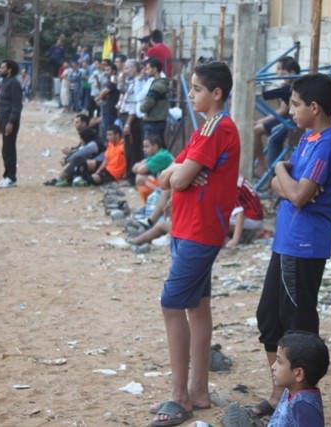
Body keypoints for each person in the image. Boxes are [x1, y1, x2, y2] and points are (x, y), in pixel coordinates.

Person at [147, 62, 240, 427]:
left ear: (216, 93)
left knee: (172, 304)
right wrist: (176, 174)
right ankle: (198, 389)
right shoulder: (206, 129)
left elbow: (180, 178)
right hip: (190, 227)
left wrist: (177, 175)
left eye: (198, 88)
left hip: (201, 230)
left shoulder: (217, 128)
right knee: (198, 307)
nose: (191, 94)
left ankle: (180, 396)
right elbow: (171, 175)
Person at [253, 73, 331, 416]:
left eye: (295, 104)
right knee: (268, 318)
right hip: (286, 241)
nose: (290, 110)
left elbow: (295, 193)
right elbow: (286, 191)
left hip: (304, 246)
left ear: (314, 107)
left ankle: (299, 403)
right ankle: (280, 397)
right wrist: (288, 182)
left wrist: (281, 169)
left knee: (298, 328)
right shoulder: (309, 137)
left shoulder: (327, 145)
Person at [268, 331, 329, 427]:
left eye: (279, 361)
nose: (273, 366)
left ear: (298, 374)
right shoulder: (290, 391)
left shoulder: (304, 407)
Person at [253, 56, 300, 176]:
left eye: (280, 69)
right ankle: (261, 165)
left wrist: (252, 90)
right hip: (286, 117)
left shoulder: (292, 86)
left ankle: (265, 167)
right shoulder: (286, 85)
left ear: (292, 72)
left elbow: (282, 109)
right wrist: (262, 120)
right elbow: (283, 109)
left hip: (292, 120)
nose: (277, 72)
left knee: (263, 132)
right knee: (257, 128)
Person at [0, 59, 23, 189]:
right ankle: (6, 176)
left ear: (9, 70)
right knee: (5, 149)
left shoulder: (14, 84)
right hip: (4, 121)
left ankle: (11, 178)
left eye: (2, 68)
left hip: (10, 122)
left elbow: (17, 105)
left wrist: (11, 122)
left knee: (9, 149)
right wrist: (1, 122)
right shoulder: (5, 82)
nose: (0, 70)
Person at [119, 59, 147, 185]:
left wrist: (128, 123)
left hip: (131, 119)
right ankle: (130, 175)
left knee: (132, 149)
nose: (125, 70)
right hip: (125, 116)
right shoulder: (129, 81)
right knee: (128, 148)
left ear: (135, 68)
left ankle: (132, 178)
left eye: (128, 68)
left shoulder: (138, 82)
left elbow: (134, 106)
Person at [226, 175, 264, 248]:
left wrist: (235, 240)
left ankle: (230, 238)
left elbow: (240, 212)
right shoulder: (233, 176)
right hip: (255, 216)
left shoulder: (230, 184)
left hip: (252, 219)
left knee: (215, 216)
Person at [140, 57, 169, 144]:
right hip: (156, 121)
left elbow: (147, 105)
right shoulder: (158, 83)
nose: (146, 71)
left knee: (152, 149)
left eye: (148, 69)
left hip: (154, 122)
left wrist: (141, 107)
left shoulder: (157, 86)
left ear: (155, 69)